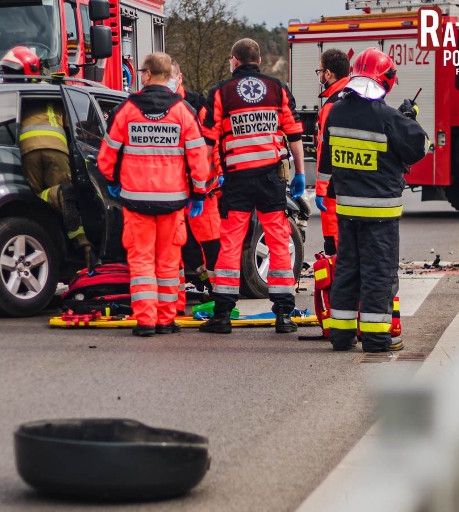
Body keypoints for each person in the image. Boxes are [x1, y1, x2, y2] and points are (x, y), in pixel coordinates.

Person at [318, 47, 429, 353]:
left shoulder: (335, 112)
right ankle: (377, 339)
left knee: (347, 272)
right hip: (380, 214)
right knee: (378, 274)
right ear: (386, 81)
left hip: (346, 210)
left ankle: (341, 336)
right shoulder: (388, 118)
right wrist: (409, 117)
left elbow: (328, 159)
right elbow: (419, 146)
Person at [97, 52, 210, 337]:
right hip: (173, 201)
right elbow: (198, 158)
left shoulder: (127, 109)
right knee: (169, 263)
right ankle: (165, 319)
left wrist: (112, 181)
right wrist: (199, 192)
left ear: (146, 74)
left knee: (142, 262)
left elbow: (107, 153)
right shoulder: (184, 111)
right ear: (170, 76)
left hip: (136, 201)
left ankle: (146, 321)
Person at [199, 38, 306, 334]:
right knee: (277, 239)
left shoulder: (221, 92)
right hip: (271, 177)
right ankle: (284, 314)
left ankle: (222, 314)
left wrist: (200, 181)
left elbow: (208, 142)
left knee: (231, 241)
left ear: (235, 60)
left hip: (237, 179)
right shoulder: (277, 89)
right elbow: (294, 133)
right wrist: (300, 173)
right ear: (258, 60)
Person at [0, 46, 96, 268]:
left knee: (33, 200)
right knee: (67, 196)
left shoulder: (16, 94)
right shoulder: (53, 90)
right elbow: (75, 129)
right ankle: (81, 243)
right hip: (57, 152)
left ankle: (52, 211)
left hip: (26, 152)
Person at [170, 58, 222, 303]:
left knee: (211, 244)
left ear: (179, 78)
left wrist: (211, 178)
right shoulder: (153, 105)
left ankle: (217, 293)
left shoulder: (197, 105)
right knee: (181, 247)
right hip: (172, 189)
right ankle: (177, 302)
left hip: (203, 189)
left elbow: (212, 144)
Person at [314, 48, 351, 255]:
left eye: (319, 71)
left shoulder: (331, 106)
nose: (319, 75)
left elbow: (324, 150)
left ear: (328, 74)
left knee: (334, 243)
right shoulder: (358, 96)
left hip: (333, 184)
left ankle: (338, 285)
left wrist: (320, 189)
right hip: (355, 179)